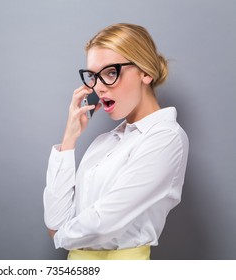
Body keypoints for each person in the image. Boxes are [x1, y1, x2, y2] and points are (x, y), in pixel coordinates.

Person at [43, 23, 189, 260]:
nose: (98, 87)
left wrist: (58, 236)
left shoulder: (165, 137)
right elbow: (56, 219)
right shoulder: (103, 143)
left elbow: (103, 223)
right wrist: (69, 139)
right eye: (93, 76)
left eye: (111, 72)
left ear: (145, 72)